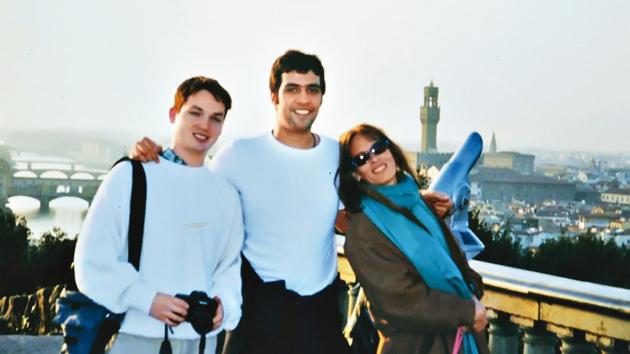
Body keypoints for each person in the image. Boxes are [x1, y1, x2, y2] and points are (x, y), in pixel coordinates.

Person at [131, 50, 452, 354]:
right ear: (274, 96)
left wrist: (417, 201)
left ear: (321, 98)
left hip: (319, 316)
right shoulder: (240, 155)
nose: (303, 99)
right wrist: (155, 160)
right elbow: (193, 194)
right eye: (292, 89)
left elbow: (353, 211)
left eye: (312, 89)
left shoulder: (334, 155)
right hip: (258, 315)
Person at [74, 76, 244, 354]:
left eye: (216, 118)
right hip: (137, 336)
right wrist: (147, 299)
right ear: (174, 114)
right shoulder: (130, 177)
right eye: (195, 113)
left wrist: (224, 304)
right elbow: (92, 259)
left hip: (202, 342)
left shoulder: (226, 195)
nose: (205, 126)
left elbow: (229, 266)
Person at [337, 123, 489, 354]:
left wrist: (471, 288)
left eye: (378, 148)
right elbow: (399, 300)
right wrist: (466, 311)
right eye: (361, 159)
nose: (374, 159)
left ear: (391, 150)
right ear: (356, 174)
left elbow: (452, 258)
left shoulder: (417, 204)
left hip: (457, 339)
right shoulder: (363, 229)